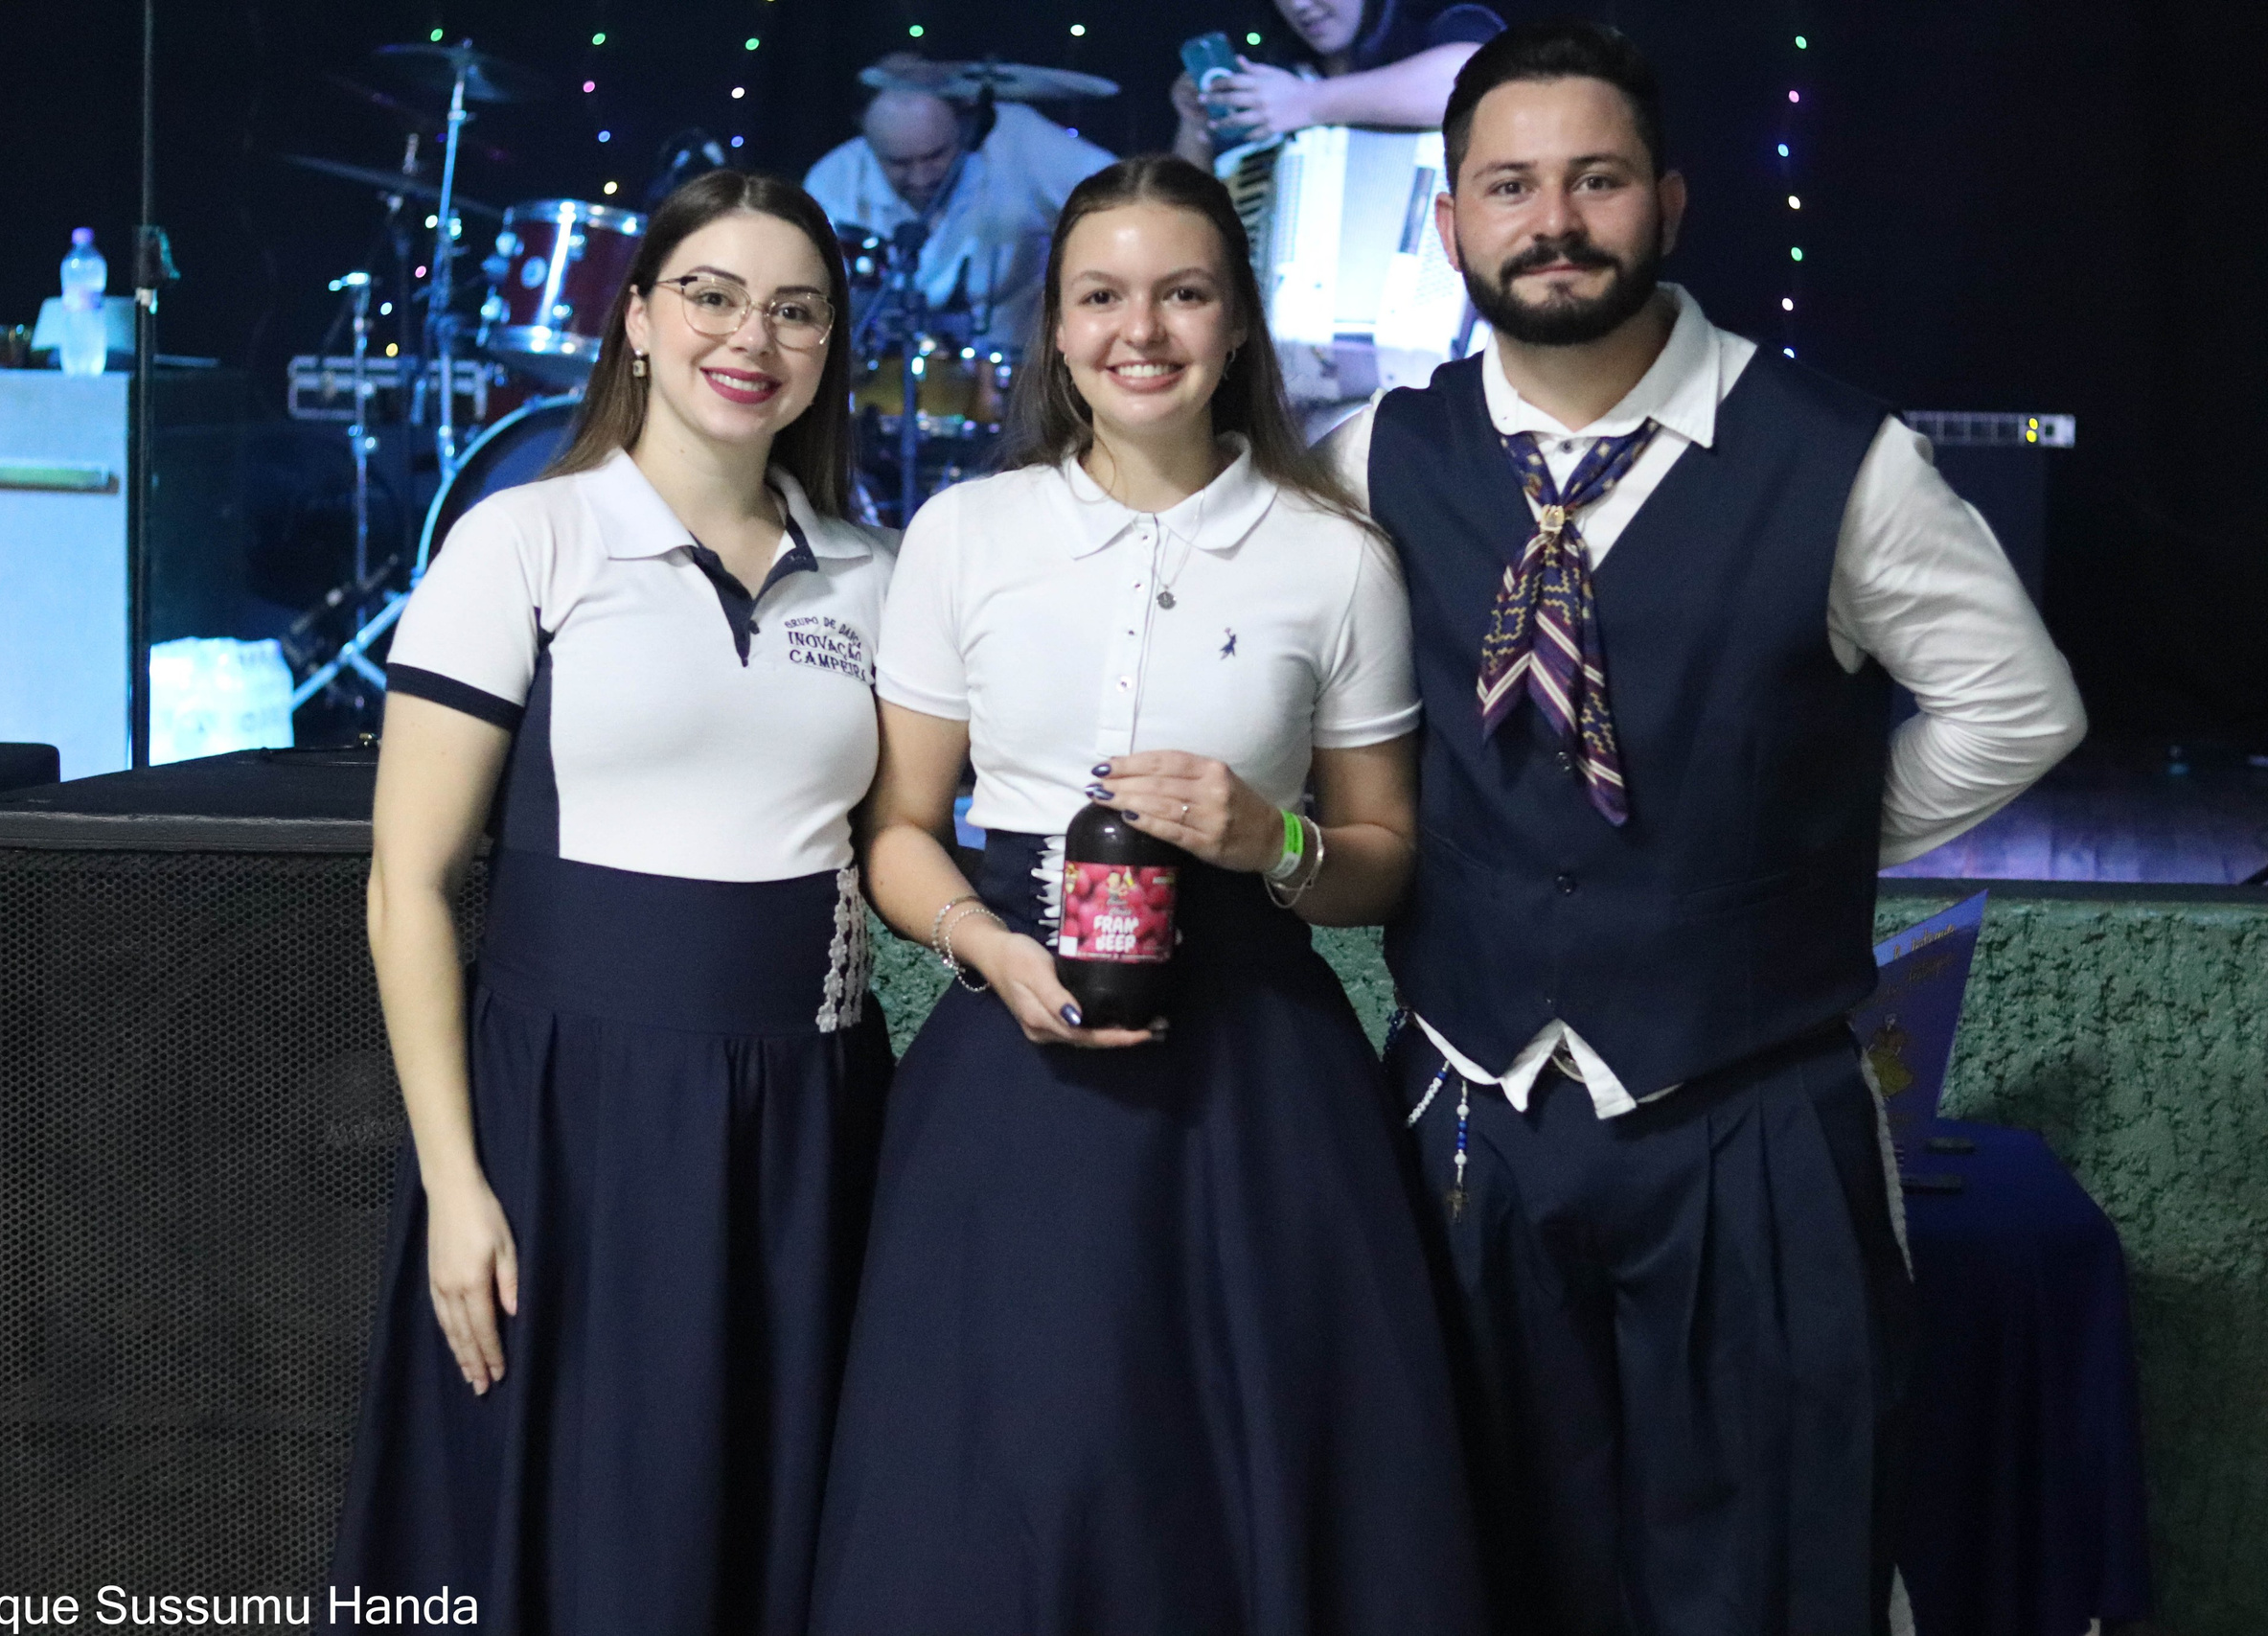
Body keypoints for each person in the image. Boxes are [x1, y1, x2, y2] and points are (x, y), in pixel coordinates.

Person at [1318, 21, 2087, 1636]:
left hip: (1755, 1103)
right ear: (1451, 222)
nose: (1554, 221)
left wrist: (1799, 841)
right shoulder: (1379, 457)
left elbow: (2018, 706)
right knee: (1467, 1543)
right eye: (1509, 186)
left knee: (1778, 1554)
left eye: (1595, 180)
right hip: (1467, 1104)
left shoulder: (1838, 454)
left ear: (1667, 203)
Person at [810, 154, 1487, 1635]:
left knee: (1252, 1491)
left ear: (1237, 323)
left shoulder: (1337, 558)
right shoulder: (966, 537)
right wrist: (986, 945)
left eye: (1183, 293)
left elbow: (1382, 861)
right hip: (1013, 1056)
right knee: (1007, 1478)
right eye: (1101, 296)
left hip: (1258, 1082)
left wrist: (1270, 839)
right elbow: (904, 829)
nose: (1143, 330)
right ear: (1055, 329)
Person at [327, 171, 896, 1636]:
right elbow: (407, 886)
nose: (749, 335)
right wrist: (458, 1186)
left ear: (829, 347)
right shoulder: (527, 540)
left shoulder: (877, 575)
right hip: (574, 1126)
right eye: (710, 293)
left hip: (812, 1116)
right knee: (578, 1531)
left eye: (795, 308)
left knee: (777, 1519)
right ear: (637, 317)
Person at [804, 58, 1114, 347]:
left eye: (936, 155)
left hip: (1016, 377)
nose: (921, 176)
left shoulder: (1018, 139)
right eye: (898, 163)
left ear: (966, 127)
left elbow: (1125, 198)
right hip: (881, 385)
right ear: (867, 140)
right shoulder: (831, 183)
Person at [1173, 1, 1505, 170]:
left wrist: (1306, 103)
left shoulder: (1439, 27)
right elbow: (1188, 211)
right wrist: (1193, 126)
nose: (1299, 5)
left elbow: (1474, 81)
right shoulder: (1278, 78)